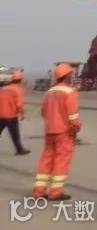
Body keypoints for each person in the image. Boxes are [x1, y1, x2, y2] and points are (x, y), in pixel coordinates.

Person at [32, 64, 81, 200]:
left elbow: (44, 112)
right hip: (64, 132)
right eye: (71, 74)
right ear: (67, 76)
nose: (72, 76)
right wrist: (76, 127)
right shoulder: (70, 92)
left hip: (50, 131)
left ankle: (39, 191)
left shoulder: (49, 92)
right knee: (62, 161)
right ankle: (56, 192)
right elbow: (73, 116)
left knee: (46, 159)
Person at [0, 70, 30, 155]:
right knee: (15, 134)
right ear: (21, 80)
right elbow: (19, 104)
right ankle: (19, 150)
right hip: (11, 116)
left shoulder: (4, 88)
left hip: (1, 115)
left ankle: (20, 149)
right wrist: (22, 115)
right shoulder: (18, 90)